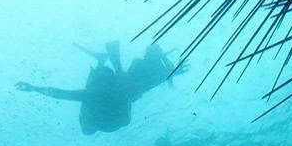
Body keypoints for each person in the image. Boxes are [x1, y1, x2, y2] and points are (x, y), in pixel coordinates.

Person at [15, 40, 188, 135]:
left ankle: (102, 61)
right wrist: (33, 88)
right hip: (116, 96)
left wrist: (34, 88)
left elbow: (62, 94)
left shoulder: (93, 96)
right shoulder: (98, 96)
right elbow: (62, 94)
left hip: (115, 98)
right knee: (127, 80)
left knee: (125, 80)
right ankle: (102, 61)